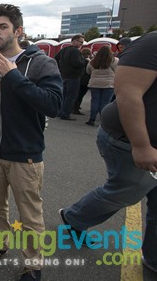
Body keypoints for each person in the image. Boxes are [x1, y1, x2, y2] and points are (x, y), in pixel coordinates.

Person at [0, 4, 62, 281]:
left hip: (25, 155)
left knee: (30, 214)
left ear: (18, 31)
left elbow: (54, 105)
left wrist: (13, 75)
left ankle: (33, 265)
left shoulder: (40, 63)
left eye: (2, 27)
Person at [59, 31, 157, 275]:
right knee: (122, 192)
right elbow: (127, 93)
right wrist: (141, 145)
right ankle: (73, 218)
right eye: (79, 42)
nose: (81, 44)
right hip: (128, 139)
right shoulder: (151, 43)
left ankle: (154, 255)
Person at [85, 46, 118, 126]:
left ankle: (92, 119)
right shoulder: (114, 60)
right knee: (105, 102)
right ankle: (103, 120)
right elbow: (117, 71)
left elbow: (88, 71)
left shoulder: (92, 61)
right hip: (109, 84)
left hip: (94, 84)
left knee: (95, 101)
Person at [54, 34, 85, 120]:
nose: (81, 44)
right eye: (81, 42)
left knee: (63, 95)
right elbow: (77, 63)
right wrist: (85, 61)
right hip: (73, 76)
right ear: (75, 41)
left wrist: (61, 68)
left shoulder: (64, 49)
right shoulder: (75, 51)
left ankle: (60, 112)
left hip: (64, 75)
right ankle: (65, 114)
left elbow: (55, 59)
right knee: (71, 96)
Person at [72, 48, 92, 115]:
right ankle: (76, 108)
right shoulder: (88, 61)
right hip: (85, 80)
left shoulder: (80, 60)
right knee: (81, 95)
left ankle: (73, 106)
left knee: (77, 94)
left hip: (79, 78)